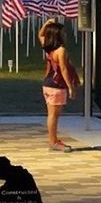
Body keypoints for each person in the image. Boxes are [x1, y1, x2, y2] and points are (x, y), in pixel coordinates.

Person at [38, 18, 81, 151]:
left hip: (47, 84)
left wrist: (46, 24)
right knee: (53, 115)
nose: (65, 34)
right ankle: (53, 142)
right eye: (63, 32)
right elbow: (63, 69)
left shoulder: (48, 47)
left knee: (52, 114)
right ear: (58, 35)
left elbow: (40, 34)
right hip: (56, 86)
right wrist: (70, 87)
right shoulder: (60, 50)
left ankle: (53, 139)